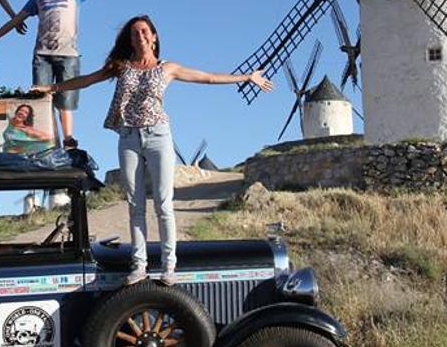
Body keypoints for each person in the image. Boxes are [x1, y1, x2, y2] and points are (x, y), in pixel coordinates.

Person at [33, 15, 273, 286]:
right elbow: (87, 80)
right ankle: (139, 265)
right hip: (129, 137)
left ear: (154, 37)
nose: (140, 37)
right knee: (135, 204)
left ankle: (169, 265)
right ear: (130, 40)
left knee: (163, 203)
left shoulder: (167, 68)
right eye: (135, 33)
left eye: (145, 32)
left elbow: (206, 78)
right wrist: (52, 88)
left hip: (158, 135)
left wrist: (247, 77)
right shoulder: (121, 66)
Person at [0, 0, 159, 148]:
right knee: (42, 97)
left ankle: (68, 137)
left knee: (66, 97)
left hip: (68, 54)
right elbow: (16, 20)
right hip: (43, 55)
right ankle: (49, 138)